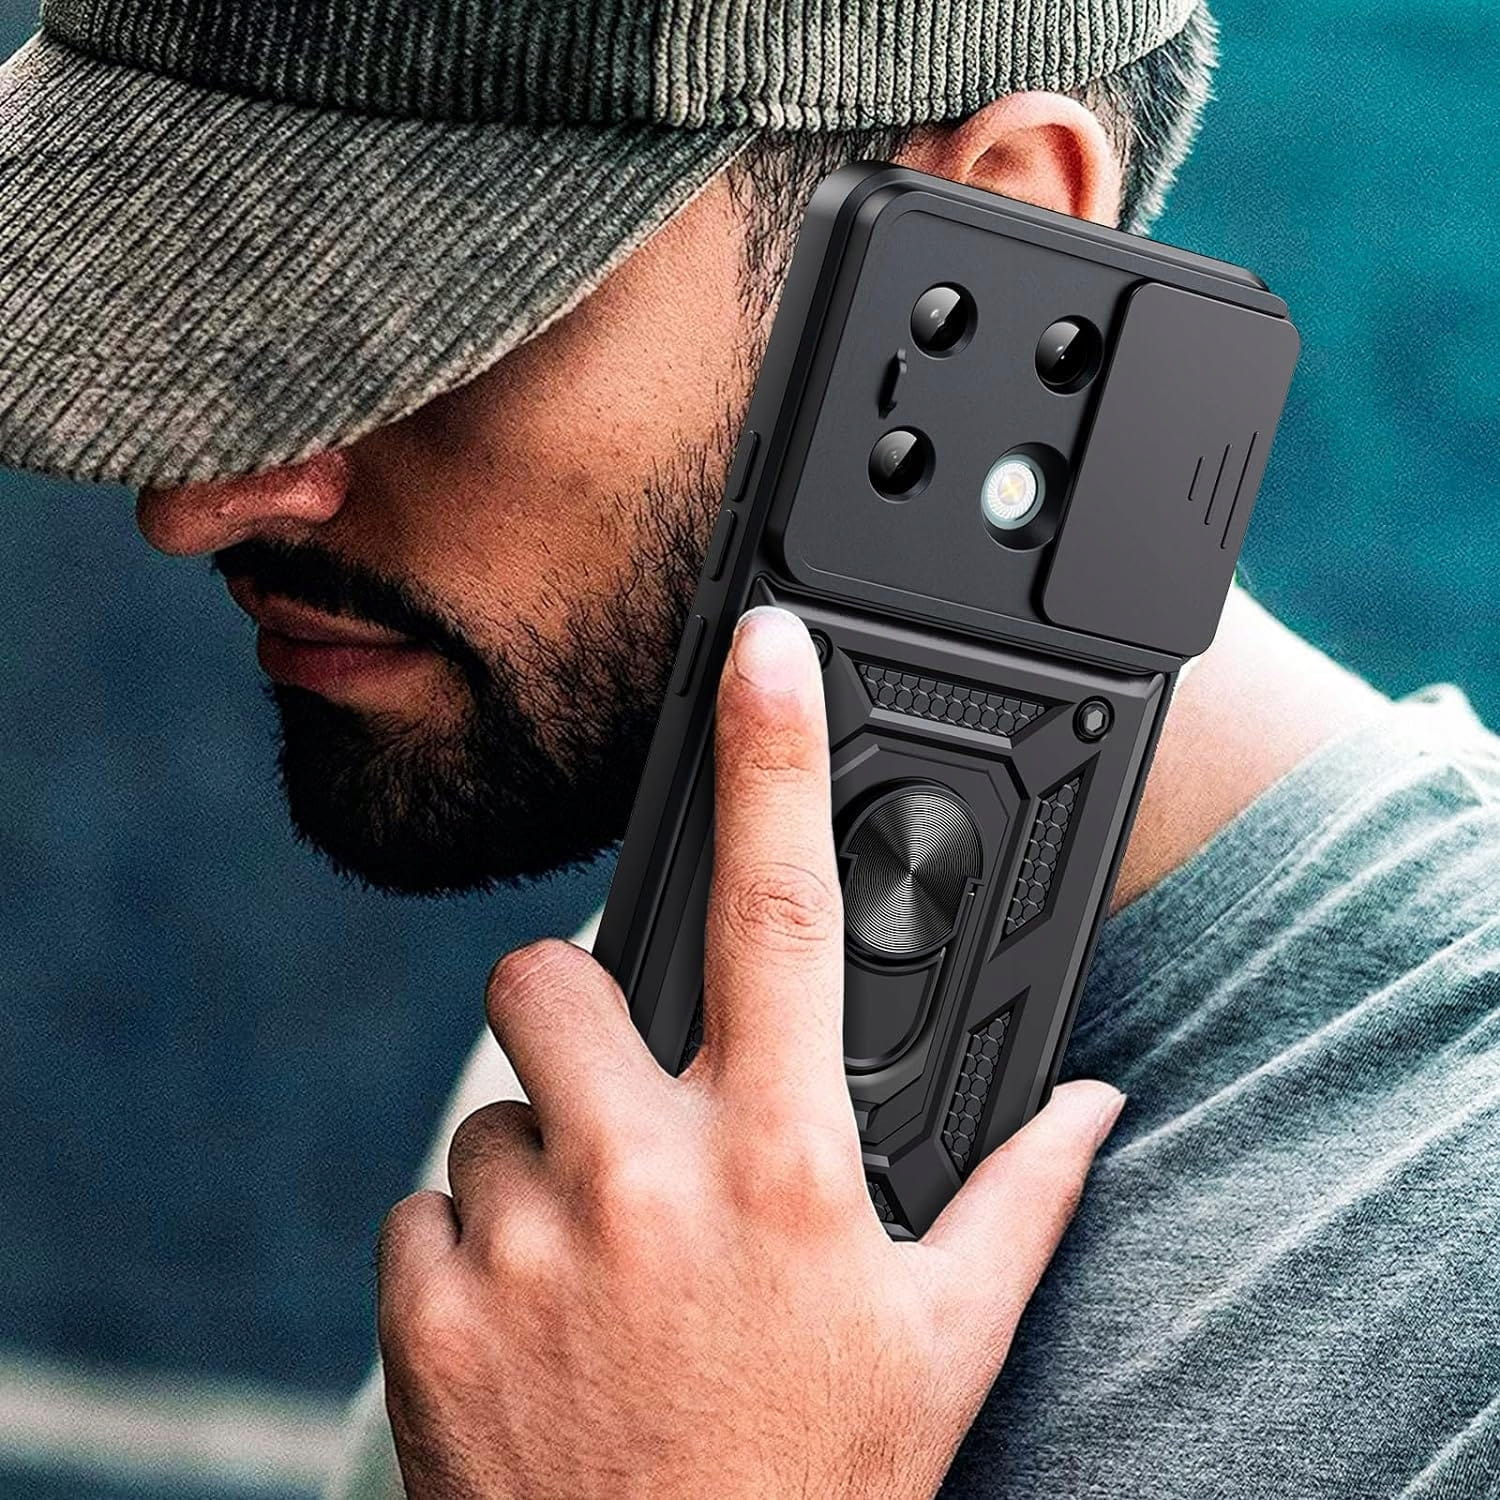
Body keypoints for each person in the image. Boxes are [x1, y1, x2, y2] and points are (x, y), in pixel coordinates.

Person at [3, 0, 1498, 1496]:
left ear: (999, 237)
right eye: (195, 318)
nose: (195, 503)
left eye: (407, 323)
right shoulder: (678, 1036)